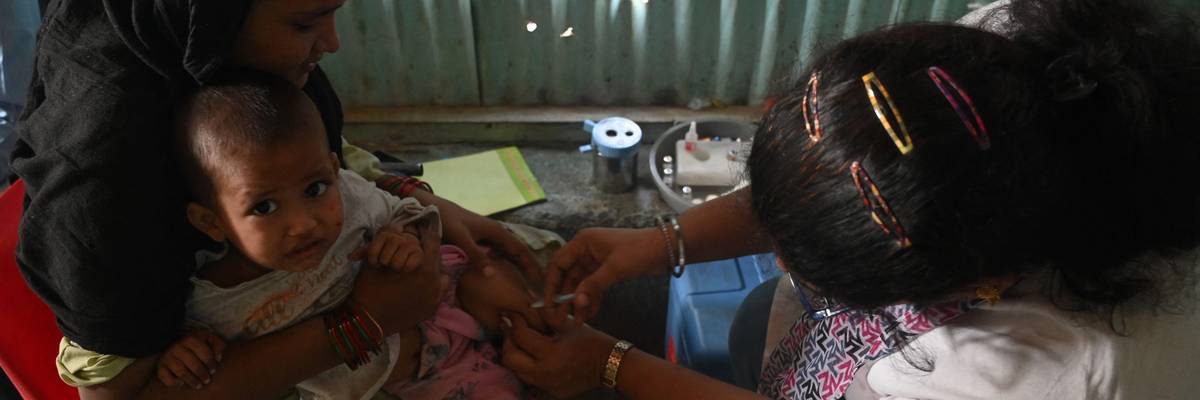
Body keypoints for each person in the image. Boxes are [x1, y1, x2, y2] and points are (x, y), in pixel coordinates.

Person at [500, 0, 1200, 398]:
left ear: (973, 285)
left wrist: (610, 366)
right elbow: (845, 180)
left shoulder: (1041, 372)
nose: (775, 250)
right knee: (750, 323)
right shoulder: (986, 70)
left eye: (799, 259)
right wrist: (661, 243)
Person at [12, 1, 547, 398]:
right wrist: (362, 323)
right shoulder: (100, 203)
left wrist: (416, 198)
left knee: (514, 275)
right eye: (304, 23)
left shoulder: (212, 46)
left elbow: (311, 154)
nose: (332, 43)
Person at [155, 71, 540, 399]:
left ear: (334, 169)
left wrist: (403, 236)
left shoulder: (351, 195)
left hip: (442, 312)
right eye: (265, 207)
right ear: (211, 222)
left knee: (501, 282)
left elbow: (409, 212)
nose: (305, 223)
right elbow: (200, 351)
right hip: (410, 382)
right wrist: (186, 353)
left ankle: (558, 343)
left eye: (315, 189)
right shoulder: (212, 301)